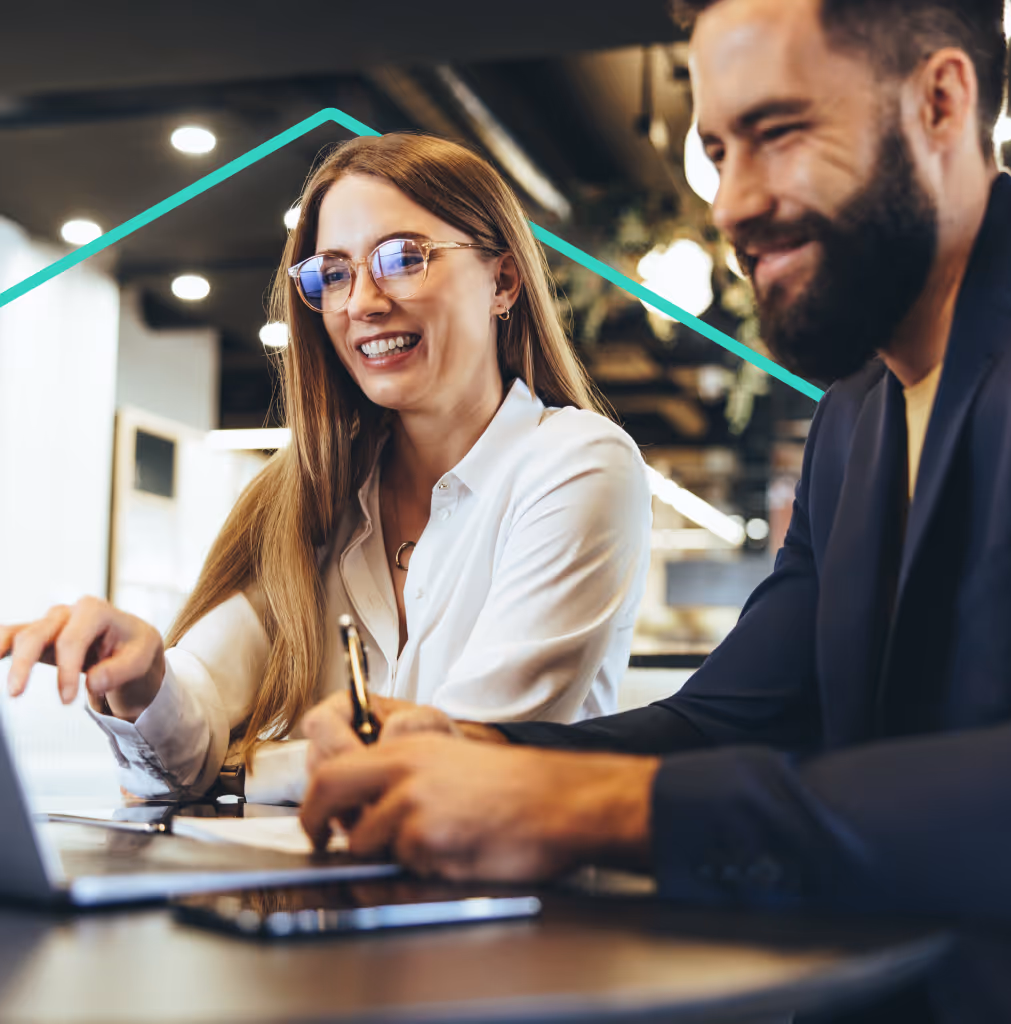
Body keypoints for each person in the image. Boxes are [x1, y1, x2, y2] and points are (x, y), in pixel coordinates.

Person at [296, 0, 1011, 1018]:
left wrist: (606, 806)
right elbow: (735, 716)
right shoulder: (856, 413)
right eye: (717, 151)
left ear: (941, 102)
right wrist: (485, 751)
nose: (728, 204)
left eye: (776, 133)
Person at [0, 134, 651, 804]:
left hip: (522, 902)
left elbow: (459, 760)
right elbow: (194, 710)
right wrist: (144, 680)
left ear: (503, 281)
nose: (361, 302)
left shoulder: (578, 465)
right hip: (331, 900)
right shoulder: (313, 492)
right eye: (332, 273)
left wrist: (237, 773)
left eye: (402, 258)